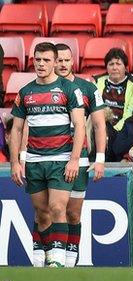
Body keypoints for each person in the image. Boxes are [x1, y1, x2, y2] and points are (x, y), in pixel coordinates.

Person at [9, 42, 86, 267]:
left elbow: (80, 126)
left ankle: (58, 259)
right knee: (42, 213)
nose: (41, 64)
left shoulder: (69, 89)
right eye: (37, 60)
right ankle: (39, 257)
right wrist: (15, 162)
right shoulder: (26, 92)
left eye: (46, 60)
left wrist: (73, 159)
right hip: (34, 160)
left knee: (57, 208)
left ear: (54, 62)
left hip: (60, 160)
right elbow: (16, 129)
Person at [31, 43, 107, 268]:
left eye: (66, 60)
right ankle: (48, 258)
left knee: (73, 213)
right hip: (48, 156)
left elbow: (99, 124)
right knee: (47, 209)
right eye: (59, 60)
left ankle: (69, 261)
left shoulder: (87, 87)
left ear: (73, 61)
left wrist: (100, 158)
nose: (62, 64)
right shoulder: (43, 89)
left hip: (79, 157)